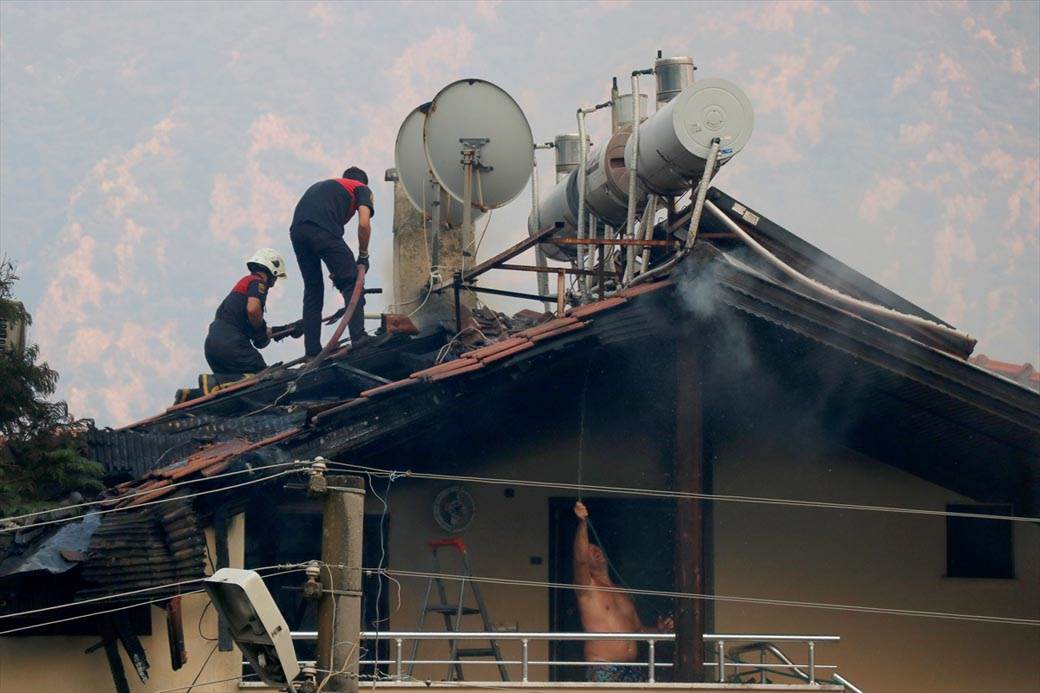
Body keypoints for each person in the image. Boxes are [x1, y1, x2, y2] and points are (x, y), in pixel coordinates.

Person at [573, 500, 673, 683]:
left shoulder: (622, 592)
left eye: (596, 548)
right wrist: (582, 523)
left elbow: (639, 630)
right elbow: (579, 560)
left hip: (632, 668)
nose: (594, 551)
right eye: (589, 550)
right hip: (604, 667)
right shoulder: (588, 588)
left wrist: (660, 630)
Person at [289, 166, 375, 358]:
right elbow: (363, 223)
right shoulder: (361, 188)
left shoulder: (328, 186)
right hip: (323, 229)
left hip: (297, 230)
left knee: (313, 289)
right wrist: (363, 256)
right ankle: (359, 338)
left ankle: (312, 351)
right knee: (352, 281)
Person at [204, 248, 287, 377]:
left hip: (213, 345)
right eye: (275, 276)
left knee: (234, 386)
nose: (275, 281)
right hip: (232, 344)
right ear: (270, 269)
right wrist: (260, 332)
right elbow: (253, 309)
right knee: (265, 379)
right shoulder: (257, 282)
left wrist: (288, 329)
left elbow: (248, 323)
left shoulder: (240, 291)